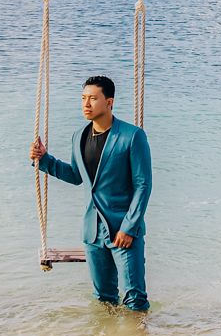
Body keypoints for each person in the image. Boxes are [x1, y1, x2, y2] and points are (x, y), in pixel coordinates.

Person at [31, 75, 152, 312]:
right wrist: (45, 161)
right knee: (103, 298)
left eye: (93, 99)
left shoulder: (132, 136)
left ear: (109, 102)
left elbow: (143, 185)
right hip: (92, 231)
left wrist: (129, 227)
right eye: (83, 98)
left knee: (135, 299)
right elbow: (77, 176)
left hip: (123, 231)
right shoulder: (79, 137)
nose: (86, 104)